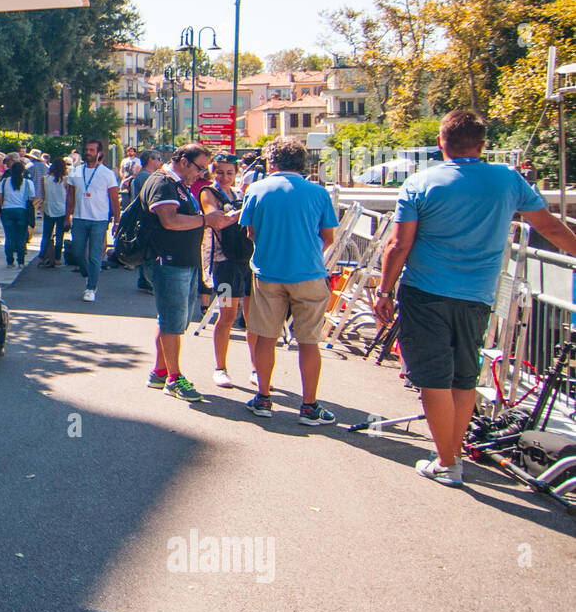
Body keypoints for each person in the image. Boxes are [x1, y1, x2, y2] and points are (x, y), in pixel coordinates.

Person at [374, 109, 576, 485]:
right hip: (479, 295)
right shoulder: (508, 179)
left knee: (433, 379)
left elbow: (399, 245)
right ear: (483, 145)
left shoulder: (420, 182)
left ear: (441, 142)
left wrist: (384, 291)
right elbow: (548, 226)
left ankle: (448, 462)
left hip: (426, 291)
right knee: (463, 378)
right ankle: (450, 455)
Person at [239, 137, 340, 425]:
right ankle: (309, 406)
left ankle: (263, 397)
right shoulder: (318, 193)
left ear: (272, 162)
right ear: (303, 163)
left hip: (268, 272)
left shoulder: (256, 189)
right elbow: (328, 236)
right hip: (308, 273)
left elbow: (251, 232)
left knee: (265, 336)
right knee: (309, 342)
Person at [138, 144, 232, 402]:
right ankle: (173, 377)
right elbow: (170, 220)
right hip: (169, 262)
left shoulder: (175, 183)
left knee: (169, 318)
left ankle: (160, 372)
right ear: (182, 161)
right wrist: (206, 220)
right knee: (172, 321)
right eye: (199, 168)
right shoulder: (163, 183)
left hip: (180, 261)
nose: (201, 174)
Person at [197, 154, 257, 389]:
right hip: (224, 262)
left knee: (254, 319)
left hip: (247, 260)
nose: (225, 177)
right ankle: (220, 367)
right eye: (220, 172)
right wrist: (242, 214)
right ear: (212, 172)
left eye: (229, 173)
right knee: (227, 315)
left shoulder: (242, 195)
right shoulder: (208, 193)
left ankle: (256, 368)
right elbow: (216, 220)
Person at [66, 139, 120, 302]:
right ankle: (89, 275)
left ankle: (91, 288)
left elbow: (114, 199)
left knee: (95, 256)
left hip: (99, 219)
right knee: (78, 252)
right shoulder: (76, 171)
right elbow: (70, 195)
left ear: (99, 153)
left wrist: (117, 221)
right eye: (87, 150)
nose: (88, 152)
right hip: (79, 218)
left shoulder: (107, 174)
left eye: (92, 150)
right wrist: (67, 216)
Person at [134, 149, 165, 291]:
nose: (160, 161)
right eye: (158, 158)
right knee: (149, 252)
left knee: (147, 250)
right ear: (150, 160)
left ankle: (144, 279)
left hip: (143, 217)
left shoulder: (145, 175)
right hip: (145, 218)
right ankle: (148, 280)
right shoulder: (146, 177)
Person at [0, 158, 35, 268]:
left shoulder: (4, 181)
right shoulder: (28, 183)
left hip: (7, 210)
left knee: (9, 236)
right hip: (21, 210)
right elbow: (31, 198)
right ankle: (21, 261)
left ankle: (10, 261)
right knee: (21, 237)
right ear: (23, 171)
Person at [38, 156, 71, 268]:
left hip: (49, 208)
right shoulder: (65, 179)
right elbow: (68, 196)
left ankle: (42, 256)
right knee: (59, 235)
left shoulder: (45, 178)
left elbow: (43, 195)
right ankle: (57, 258)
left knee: (46, 234)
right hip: (62, 209)